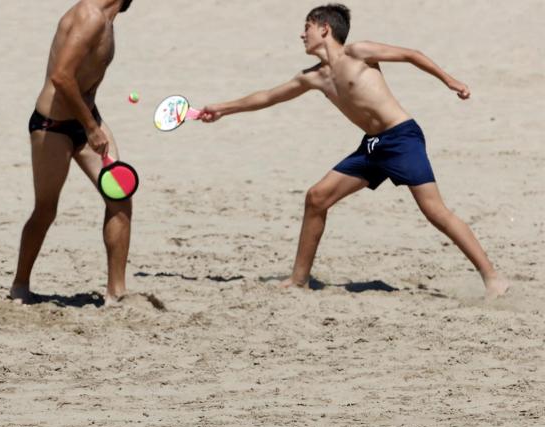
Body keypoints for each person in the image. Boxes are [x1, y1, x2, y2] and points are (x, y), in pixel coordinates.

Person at [197, 4, 509, 299]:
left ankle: (493, 278)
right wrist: (223, 109)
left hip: (401, 139)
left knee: (435, 212)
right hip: (372, 146)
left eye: (306, 27)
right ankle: (299, 280)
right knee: (317, 197)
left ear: (324, 28)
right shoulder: (314, 76)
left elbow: (412, 54)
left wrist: (449, 80)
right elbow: (267, 96)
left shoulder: (358, 52)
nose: (301, 34)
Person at [11, 0, 135, 305]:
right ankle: (20, 285)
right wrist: (92, 129)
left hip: (87, 118)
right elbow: (62, 76)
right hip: (52, 127)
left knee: (119, 195)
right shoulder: (89, 16)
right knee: (46, 209)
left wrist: (91, 123)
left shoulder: (107, 19)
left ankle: (116, 293)